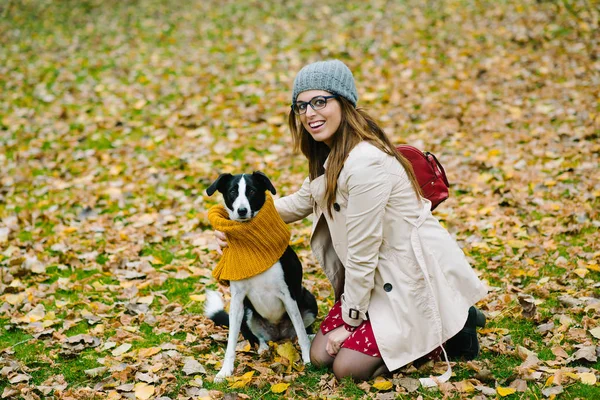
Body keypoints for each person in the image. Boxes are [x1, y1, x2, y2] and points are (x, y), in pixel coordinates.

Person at [214, 60, 488, 383]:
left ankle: (449, 328)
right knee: (318, 356)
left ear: (344, 101)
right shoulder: (329, 157)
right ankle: (431, 323)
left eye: (320, 101)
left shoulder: (365, 165)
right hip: (374, 283)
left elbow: (362, 255)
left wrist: (350, 321)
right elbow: (297, 203)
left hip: (403, 281)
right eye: (302, 106)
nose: (310, 113)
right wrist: (235, 224)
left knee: (346, 369)